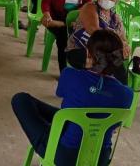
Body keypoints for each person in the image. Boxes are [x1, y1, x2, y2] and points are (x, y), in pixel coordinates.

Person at [12, 29, 133, 166]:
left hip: (64, 157)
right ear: (117, 59)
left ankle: (53, 133)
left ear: (88, 54)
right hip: (100, 158)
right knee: (69, 115)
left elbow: (61, 92)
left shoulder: (70, 75)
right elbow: (115, 125)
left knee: (20, 99)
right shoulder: (127, 94)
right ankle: (59, 127)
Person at [66, 0, 131, 84]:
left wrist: (125, 46)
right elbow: (94, 30)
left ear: (116, 0)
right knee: (108, 63)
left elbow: (123, 39)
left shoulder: (115, 18)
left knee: (118, 63)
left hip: (105, 54)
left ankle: (116, 92)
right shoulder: (90, 7)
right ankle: (99, 91)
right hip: (81, 50)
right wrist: (118, 43)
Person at [41, 0, 92, 72]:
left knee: (86, 37)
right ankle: (63, 72)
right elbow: (45, 2)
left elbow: (88, 4)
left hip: (76, 18)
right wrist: (47, 14)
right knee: (63, 38)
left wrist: (79, 18)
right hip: (56, 16)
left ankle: (82, 69)